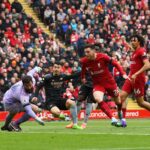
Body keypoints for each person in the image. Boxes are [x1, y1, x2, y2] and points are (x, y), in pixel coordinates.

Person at [80, 44, 128, 125]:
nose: (86, 54)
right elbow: (83, 69)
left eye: (88, 52)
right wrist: (83, 77)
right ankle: (113, 118)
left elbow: (115, 64)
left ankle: (120, 114)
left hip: (109, 82)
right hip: (98, 84)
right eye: (85, 52)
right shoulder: (85, 61)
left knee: (118, 102)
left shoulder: (103, 57)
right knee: (98, 99)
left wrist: (122, 73)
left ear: (94, 51)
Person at [34, 62, 83, 129]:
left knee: (72, 103)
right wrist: (35, 96)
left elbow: (74, 76)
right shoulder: (47, 77)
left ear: (61, 69)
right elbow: (38, 86)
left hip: (60, 100)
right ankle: (58, 115)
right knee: (57, 113)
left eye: (58, 67)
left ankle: (74, 124)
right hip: (50, 102)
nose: (56, 69)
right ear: (52, 69)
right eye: (55, 67)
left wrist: (84, 70)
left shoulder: (63, 76)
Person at [1, 67, 45, 131]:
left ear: (32, 82)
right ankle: (15, 124)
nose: (29, 87)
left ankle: (5, 126)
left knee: (12, 114)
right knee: (35, 109)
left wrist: (36, 68)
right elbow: (28, 110)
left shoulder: (31, 79)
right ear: (23, 85)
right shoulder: (22, 94)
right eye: (27, 86)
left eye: (30, 85)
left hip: (9, 97)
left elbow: (30, 72)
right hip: (10, 103)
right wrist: (37, 119)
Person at [120, 34, 150, 127]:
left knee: (140, 103)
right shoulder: (135, 51)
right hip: (130, 78)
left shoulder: (142, 51)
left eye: (134, 40)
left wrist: (136, 74)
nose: (132, 42)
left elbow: (147, 65)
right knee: (121, 97)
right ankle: (123, 120)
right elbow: (130, 47)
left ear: (139, 42)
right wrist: (124, 42)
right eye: (132, 40)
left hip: (138, 79)